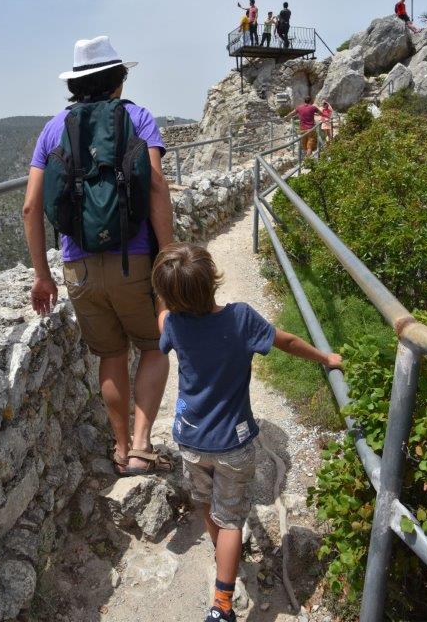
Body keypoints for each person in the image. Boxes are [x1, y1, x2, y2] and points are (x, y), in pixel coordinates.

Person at [152, 243, 342, 622]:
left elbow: (162, 320)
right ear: (213, 279)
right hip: (233, 445)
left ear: (168, 296)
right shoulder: (241, 319)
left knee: (207, 506)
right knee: (232, 518)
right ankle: (222, 604)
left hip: (190, 441)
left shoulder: (172, 324)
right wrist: (325, 358)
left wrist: (166, 299)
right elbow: (285, 341)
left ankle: (225, 556)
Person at [23, 35, 174, 476]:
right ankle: (143, 446)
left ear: (75, 84)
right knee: (154, 346)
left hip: (79, 265)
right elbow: (158, 187)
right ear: (118, 79)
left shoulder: (53, 129)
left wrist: (42, 275)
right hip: (136, 258)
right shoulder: (139, 118)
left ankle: (121, 447)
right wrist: (167, 258)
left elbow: (31, 207)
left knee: (111, 354)